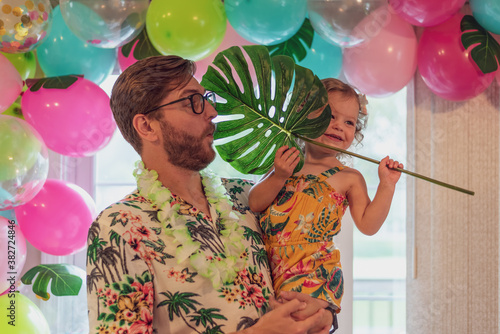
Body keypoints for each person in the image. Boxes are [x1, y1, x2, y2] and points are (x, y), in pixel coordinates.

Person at [86, 55, 335, 334]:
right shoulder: (119, 226)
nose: (212, 111)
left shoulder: (248, 196)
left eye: (206, 98)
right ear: (146, 126)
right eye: (192, 101)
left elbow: (300, 264)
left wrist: (323, 315)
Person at [248, 78, 404, 320]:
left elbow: (368, 225)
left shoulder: (349, 177)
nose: (339, 126)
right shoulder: (286, 163)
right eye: (330, 116)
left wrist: (386, 185)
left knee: (297, 320)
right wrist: (279, 176)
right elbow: (255, 202)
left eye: (349, 122)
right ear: (305, 118)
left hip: (317, 273)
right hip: (276, 271)